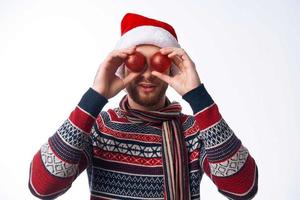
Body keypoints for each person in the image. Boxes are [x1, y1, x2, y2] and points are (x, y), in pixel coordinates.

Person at [29, 13, 258, 200]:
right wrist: (94, 97)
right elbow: (43, 186)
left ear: (172, 69)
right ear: (122, 68)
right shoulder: (100, 126)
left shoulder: (194, 130)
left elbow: (242, 187)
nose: (148, 74)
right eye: (137, 63)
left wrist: (198, 96)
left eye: (159, 63)